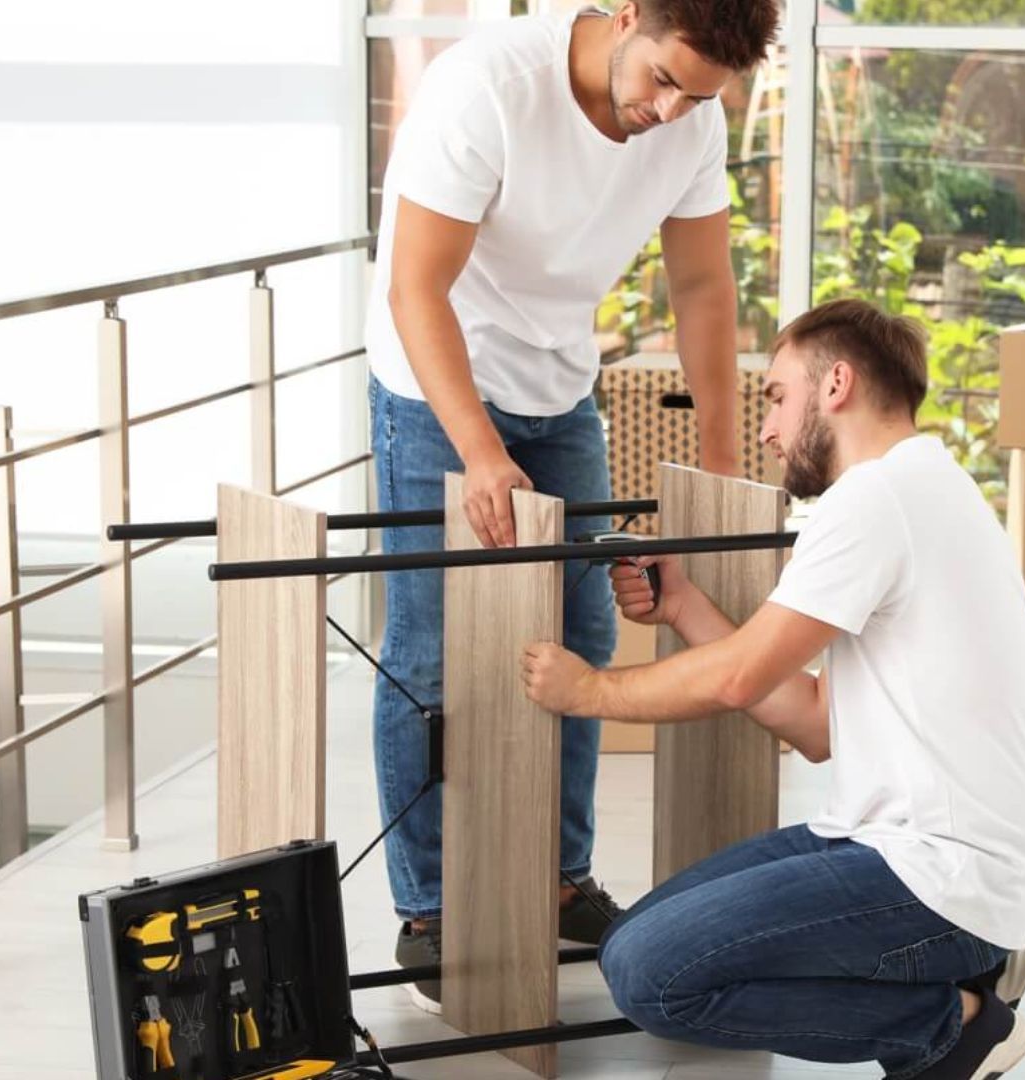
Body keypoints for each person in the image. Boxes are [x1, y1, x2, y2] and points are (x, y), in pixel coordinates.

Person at [366, 0, 782, 1014]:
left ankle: (559, 876)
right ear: (629, 12)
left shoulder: (695, 119)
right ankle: (430, 907)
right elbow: (415, 288)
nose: (670, 108)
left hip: (559, 387)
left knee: (587, 628)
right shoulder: (487, 86)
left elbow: (703, 291)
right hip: (435, 390)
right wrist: (477, 451)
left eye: (698, 95)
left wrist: (720, 475)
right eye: (662, 79)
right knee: (431, 650)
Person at [521, 299, 1025, 1080]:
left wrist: (589, 691)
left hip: (940, 873)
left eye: (775, 396)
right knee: (635, 936)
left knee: (648, 973)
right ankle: (958, 967)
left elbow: (741, 675)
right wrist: (684, 608)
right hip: (893, 844)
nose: (767, 429)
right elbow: (811, 725)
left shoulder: (874, 499)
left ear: (835, 383)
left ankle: (951, 1028)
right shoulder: (925, 485)